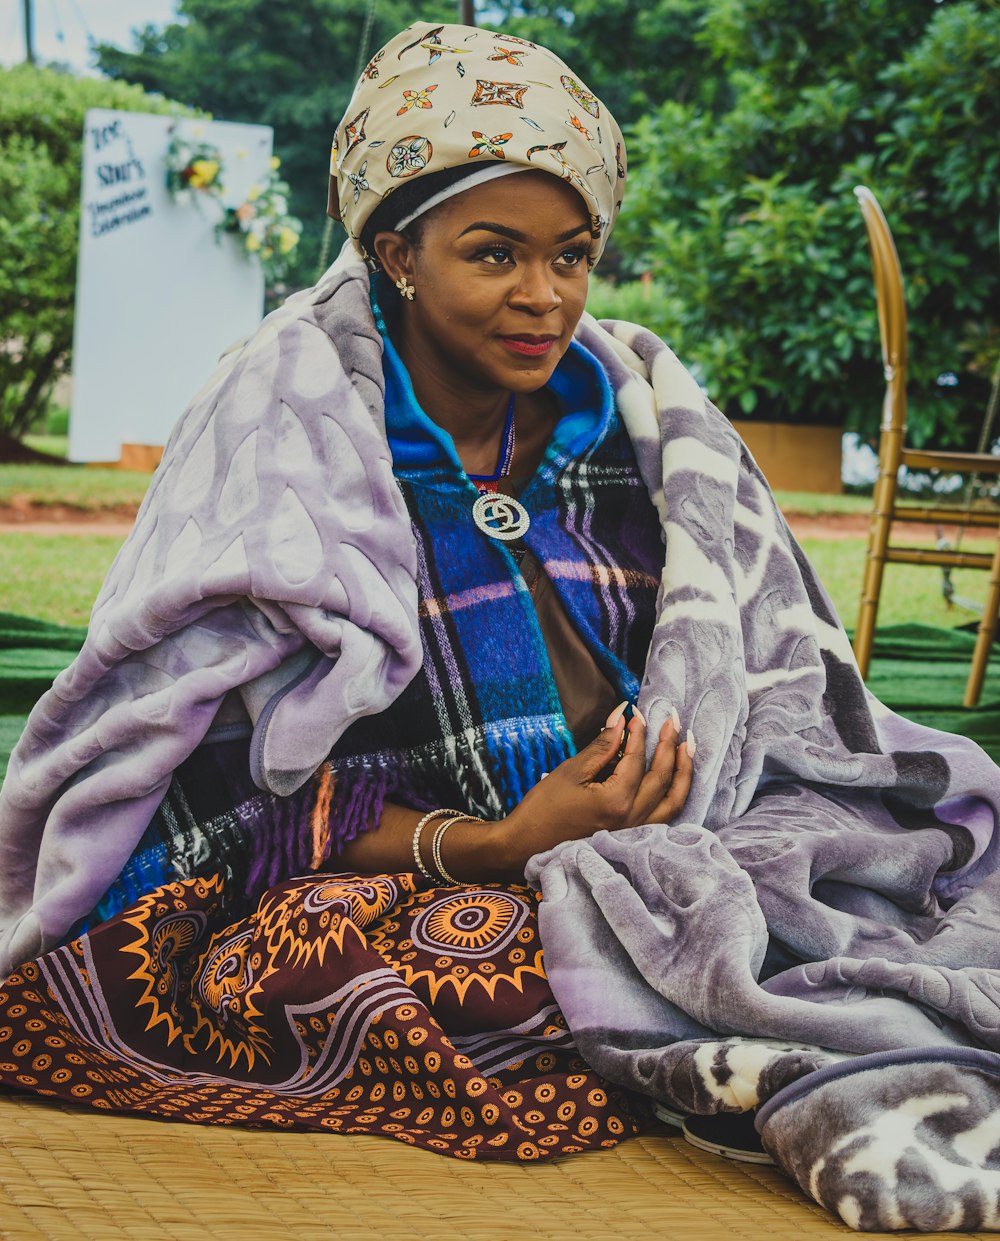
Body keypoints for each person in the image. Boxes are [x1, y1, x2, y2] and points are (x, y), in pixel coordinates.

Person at [6, 23, 1000, 1228]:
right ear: (396, 254)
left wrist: (674, 813)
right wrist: (496, 842)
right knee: (416, 966)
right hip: (397, 866)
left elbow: (778, 683)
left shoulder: (639, 421)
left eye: (572, 255)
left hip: (688, 835)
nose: (544, 298)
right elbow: (213, 791)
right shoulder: (287, 432)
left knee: (857, 890)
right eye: (494, 255)